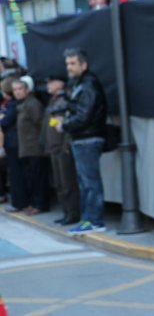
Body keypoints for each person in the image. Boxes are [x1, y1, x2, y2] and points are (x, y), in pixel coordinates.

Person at [57, 48, 108, 234]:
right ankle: (89, 220)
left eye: (72, 63)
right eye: (67, 63)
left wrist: (64, 125)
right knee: (85, 182)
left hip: (87, 139)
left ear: (83, 65)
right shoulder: (81, 84)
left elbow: (83, 116)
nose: (68, 67)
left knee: (89, 182)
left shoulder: (88, 85)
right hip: (83, 139)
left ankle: (94, 221)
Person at [45, 75, 80, 225]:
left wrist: (66, 145)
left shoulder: (65, 100)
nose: (48, 85)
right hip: (54, 146)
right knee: (59, 183)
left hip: (62, 147)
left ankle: (73, 213)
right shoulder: (53, 100)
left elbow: (66, 126)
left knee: (67, 182)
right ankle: (66, 212)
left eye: (51, 82)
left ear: (60, 83)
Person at [12, 77, 49, 215]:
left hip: (35, 149)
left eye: (20, 89)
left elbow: (41, 124)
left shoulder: (32, 104)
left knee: (38, 178)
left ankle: (40, 204)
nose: (17, 92)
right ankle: (34, 203)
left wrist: (42, 144)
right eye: (15, 90)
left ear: (27, 90)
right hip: (26, 149)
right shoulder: (21, 104)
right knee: (31, 178)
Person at [1, 77, 27, 213]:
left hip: (14, 143)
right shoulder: (12, 104)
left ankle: (19, 203)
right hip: (12, 143)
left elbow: (5, 122)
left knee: (16, 174)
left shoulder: (12, 105)